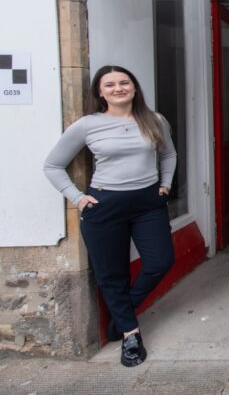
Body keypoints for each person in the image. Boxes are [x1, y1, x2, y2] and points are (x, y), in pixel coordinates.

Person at [44, 65, 176, 367]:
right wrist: (78, 198)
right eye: (110, 84)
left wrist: (166, 183)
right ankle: (130, 333)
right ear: (100, 92)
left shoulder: (154, 120)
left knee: (160, 261)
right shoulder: (87, 125)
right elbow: (52, 165)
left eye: (124, 82)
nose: (118, 88)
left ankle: (122, 313)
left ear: (134, 87)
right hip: (104, 205)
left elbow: (168, 154)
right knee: (111, 273)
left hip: (148, 202)